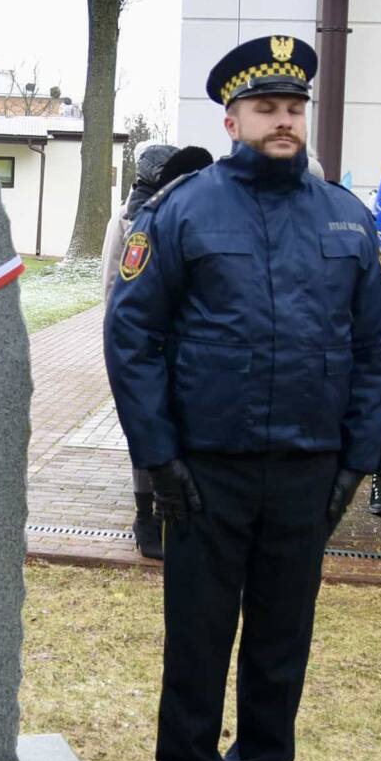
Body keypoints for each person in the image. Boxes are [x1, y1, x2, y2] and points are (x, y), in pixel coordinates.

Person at [105, 35, 381, 761]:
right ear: (231, 118)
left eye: (294, 107)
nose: (283, 120)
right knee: (198, 635)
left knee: (281, 637)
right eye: (266, 108)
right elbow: (134, 335)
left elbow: (377, 344)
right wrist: (157, 456)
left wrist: (357, 458)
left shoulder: (345, 215)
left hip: (306, 470)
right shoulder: (185, 210)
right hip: (208, 470)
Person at [103, 141, 214, 559]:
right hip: (146, 343)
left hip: (187, 346)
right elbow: (112, 284)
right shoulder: (129, 218)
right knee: (144, 426)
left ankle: (178, 505)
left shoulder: (197, 214)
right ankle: (144, 515)